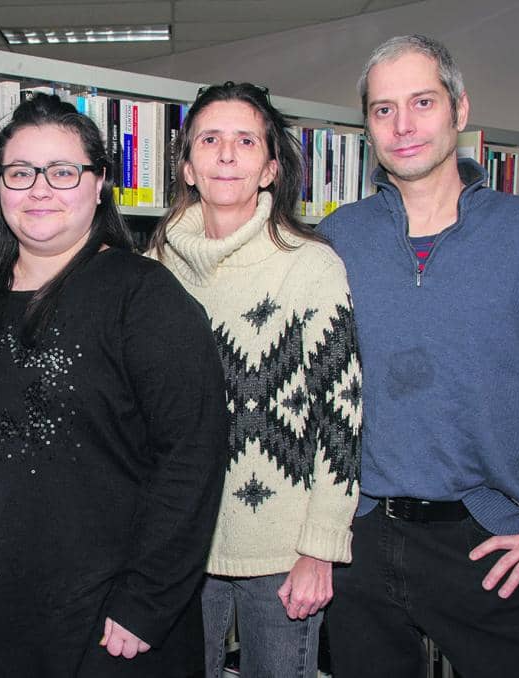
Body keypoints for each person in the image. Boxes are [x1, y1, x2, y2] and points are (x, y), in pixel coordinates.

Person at [319, 34, 519, 677]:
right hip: (355, 537)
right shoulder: (336, 239)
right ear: (366, 126)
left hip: (489, 539)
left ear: (460, 110)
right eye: (383, 109)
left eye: (422, 101)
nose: (404, 125)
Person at [0, 93, 228, 677]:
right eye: (20, 173)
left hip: (104, 621)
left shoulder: (144, 296)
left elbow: (194, 453)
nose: (39, 189)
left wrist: (147, 599)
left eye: (63, 172)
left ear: (99, 184)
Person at [148, 82, 362, 678]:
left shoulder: (310, 265)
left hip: (281, 550)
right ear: (187, 167)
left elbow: (340, 415)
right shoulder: (154, 269)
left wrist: (320, 550)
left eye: (245, 141)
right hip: (178, 541)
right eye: (210, 139)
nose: (226, 154)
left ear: (269, 169)